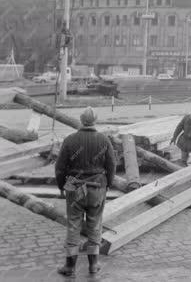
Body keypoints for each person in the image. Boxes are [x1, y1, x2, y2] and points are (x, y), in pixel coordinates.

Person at [54, 106, 116, 276]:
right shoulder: (104, 140)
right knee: (95, 224)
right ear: (95, 121)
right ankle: (93, 265)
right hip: (97, 188)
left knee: (74, 225)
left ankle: (70, 267)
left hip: (75, 189)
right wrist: (108, 184)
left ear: (81, 120)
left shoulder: (70, 140)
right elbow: (111, 165)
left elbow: (59, 167)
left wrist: (61, 186)